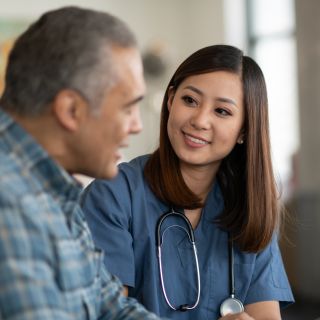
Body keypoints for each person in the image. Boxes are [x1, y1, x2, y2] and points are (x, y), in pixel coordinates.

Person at [80, 45, 295, 320]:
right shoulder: (113, 195)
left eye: (222, 111)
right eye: (190, 100)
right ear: (170, 100)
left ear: (244, 130)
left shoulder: (249, 207)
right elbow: (106, 313)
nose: (200, 120)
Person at [0, 6, 170, 320]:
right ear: (71, 110)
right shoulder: (9, 202)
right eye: (128, 107)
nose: (137, 125)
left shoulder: (55, 193)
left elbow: (112, 308)